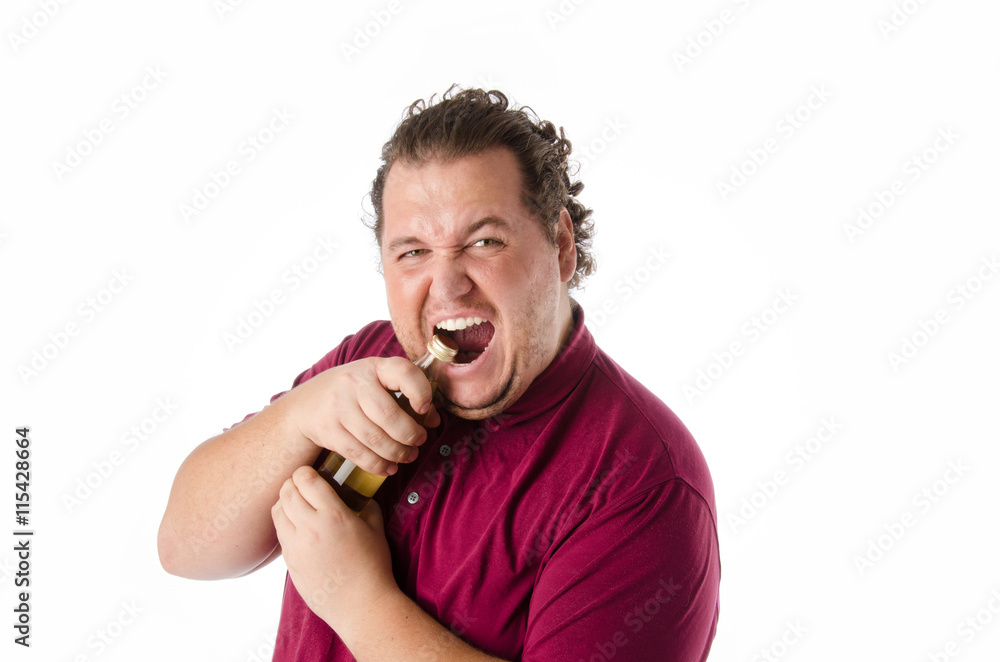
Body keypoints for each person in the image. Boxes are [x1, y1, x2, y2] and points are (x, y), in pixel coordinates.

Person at [157, 86, 720, 661]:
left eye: (484, 241)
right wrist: (297, 419)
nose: (447, 285)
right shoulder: (367, 363)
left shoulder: (644, 480)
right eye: (413, 252)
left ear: (560, 244)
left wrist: (358, 601)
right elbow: (185, 548)